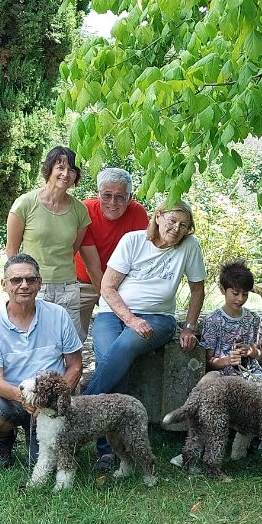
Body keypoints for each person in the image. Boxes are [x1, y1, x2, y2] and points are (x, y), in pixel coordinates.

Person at [83, 201, 206, 469]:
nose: (177, 228)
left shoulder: (189, 247)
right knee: (111, 362)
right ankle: (110, 449)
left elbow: (198, 290)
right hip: (113, 314)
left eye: (184, 225)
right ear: (158, 217)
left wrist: (189, 327)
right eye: (172, 221)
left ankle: (78, 410)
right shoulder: (133, 240)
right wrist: (131, 319)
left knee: (123, 348)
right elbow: (108, 286)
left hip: (159, 319)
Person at [169, 258, 262, 469]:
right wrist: (227, 360)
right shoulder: (214, 320)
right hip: (223, 374)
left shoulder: (253, 319)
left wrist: (250, 351)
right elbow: (210, 361)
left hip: (250, 375)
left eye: (245, 294)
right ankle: (194, 446)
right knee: (205, 384)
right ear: (223, 290)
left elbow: (259, 354)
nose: (240, 299)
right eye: (235, 293)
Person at [0, 254, 83, 468]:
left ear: (39, 283)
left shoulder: (58, 315)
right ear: (4, 284)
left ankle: (41, 435)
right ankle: (4, 437)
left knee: (43, 465)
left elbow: (75, 365)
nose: (24, 285)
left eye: (30, 279)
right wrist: (26, 399)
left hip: (52, 398)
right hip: (12, 396)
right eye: (16, 280)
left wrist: (57, 399)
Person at [7, 146, 94, 337]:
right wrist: (19, 285)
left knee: (71, 345)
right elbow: (12, 253)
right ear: (49, 169)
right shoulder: (25, 203)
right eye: (60, 167)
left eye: (71, 170)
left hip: (67, 288)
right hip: (32, 286)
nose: (65, 174)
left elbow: (72, 249)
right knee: (32, 342)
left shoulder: (80, 210)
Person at [74, 167, 149, 336]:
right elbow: (92, 267)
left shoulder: (138, 213)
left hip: (119, 284)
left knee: (124, 330)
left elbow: (141, 257)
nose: (113, 203)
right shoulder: (84, 210)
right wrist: (109, 299)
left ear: (129, 198)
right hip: (83, 282)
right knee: (73, 335)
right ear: (98, 194)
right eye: (107, 195)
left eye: (120, 197)